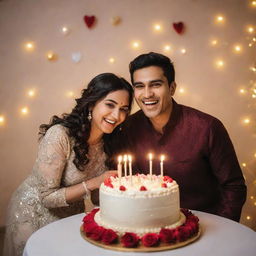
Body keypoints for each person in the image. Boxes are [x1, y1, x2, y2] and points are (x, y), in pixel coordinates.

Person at [3, 73, 133, 256]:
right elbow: (46, 197)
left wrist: (124, 195)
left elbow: (96, 199)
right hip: (33, 213)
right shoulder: (60, 135)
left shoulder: (110, 143)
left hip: (70, 218)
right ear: (91, 103)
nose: (117, 115)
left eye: (124, 109)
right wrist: (96, 182)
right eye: (110, 105)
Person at [112, 52, 247, 222]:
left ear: (172, 88)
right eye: (139, 86)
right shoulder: (128, 127)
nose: (147, 94)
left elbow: (233, 186)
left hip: (204, 225)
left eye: (155, 84)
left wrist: (222, 229)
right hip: (148, 225)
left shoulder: (207, 127)